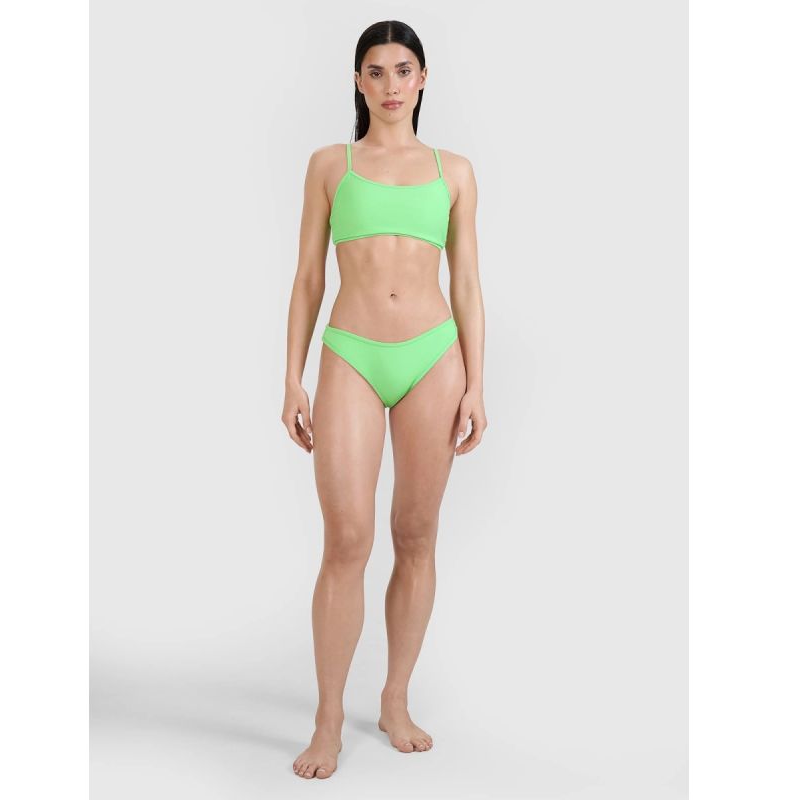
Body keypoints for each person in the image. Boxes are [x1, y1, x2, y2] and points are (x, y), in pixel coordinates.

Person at [281, 19, 488, 780]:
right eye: (376, 71)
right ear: (358, 82)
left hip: (434, 356)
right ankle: (328, 718)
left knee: (416, 533)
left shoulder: (454, 171)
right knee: (347, 539)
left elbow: (467, 282)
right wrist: (291, 376)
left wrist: (477, 381)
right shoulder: (329, 166)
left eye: (404, 70)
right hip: (352, 355)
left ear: (422, 79)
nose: (391, 85)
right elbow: (309, 277)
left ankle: (395, 699)